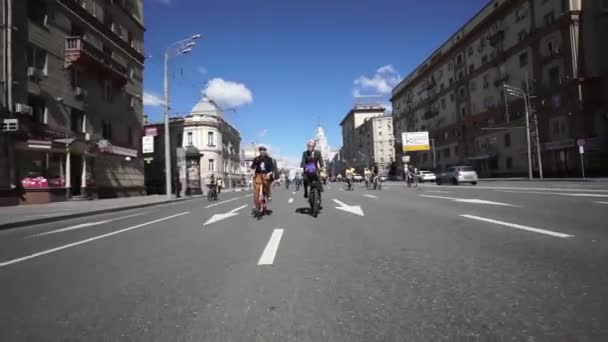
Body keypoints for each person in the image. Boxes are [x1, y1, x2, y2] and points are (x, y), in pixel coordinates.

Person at [250, 145, 274, 212]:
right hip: (258, 175)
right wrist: (252, 172)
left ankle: (268, 196)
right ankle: (255, 204)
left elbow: (271, 168)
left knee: (266, 185)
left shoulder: (269, 159)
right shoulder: (256, 159)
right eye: (261, 150)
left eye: (263, 150)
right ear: (259, 151)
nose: (262, 151)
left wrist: (269, 173)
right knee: (257, 189)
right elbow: (253, 167)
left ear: (265, 151)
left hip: (266, 175)